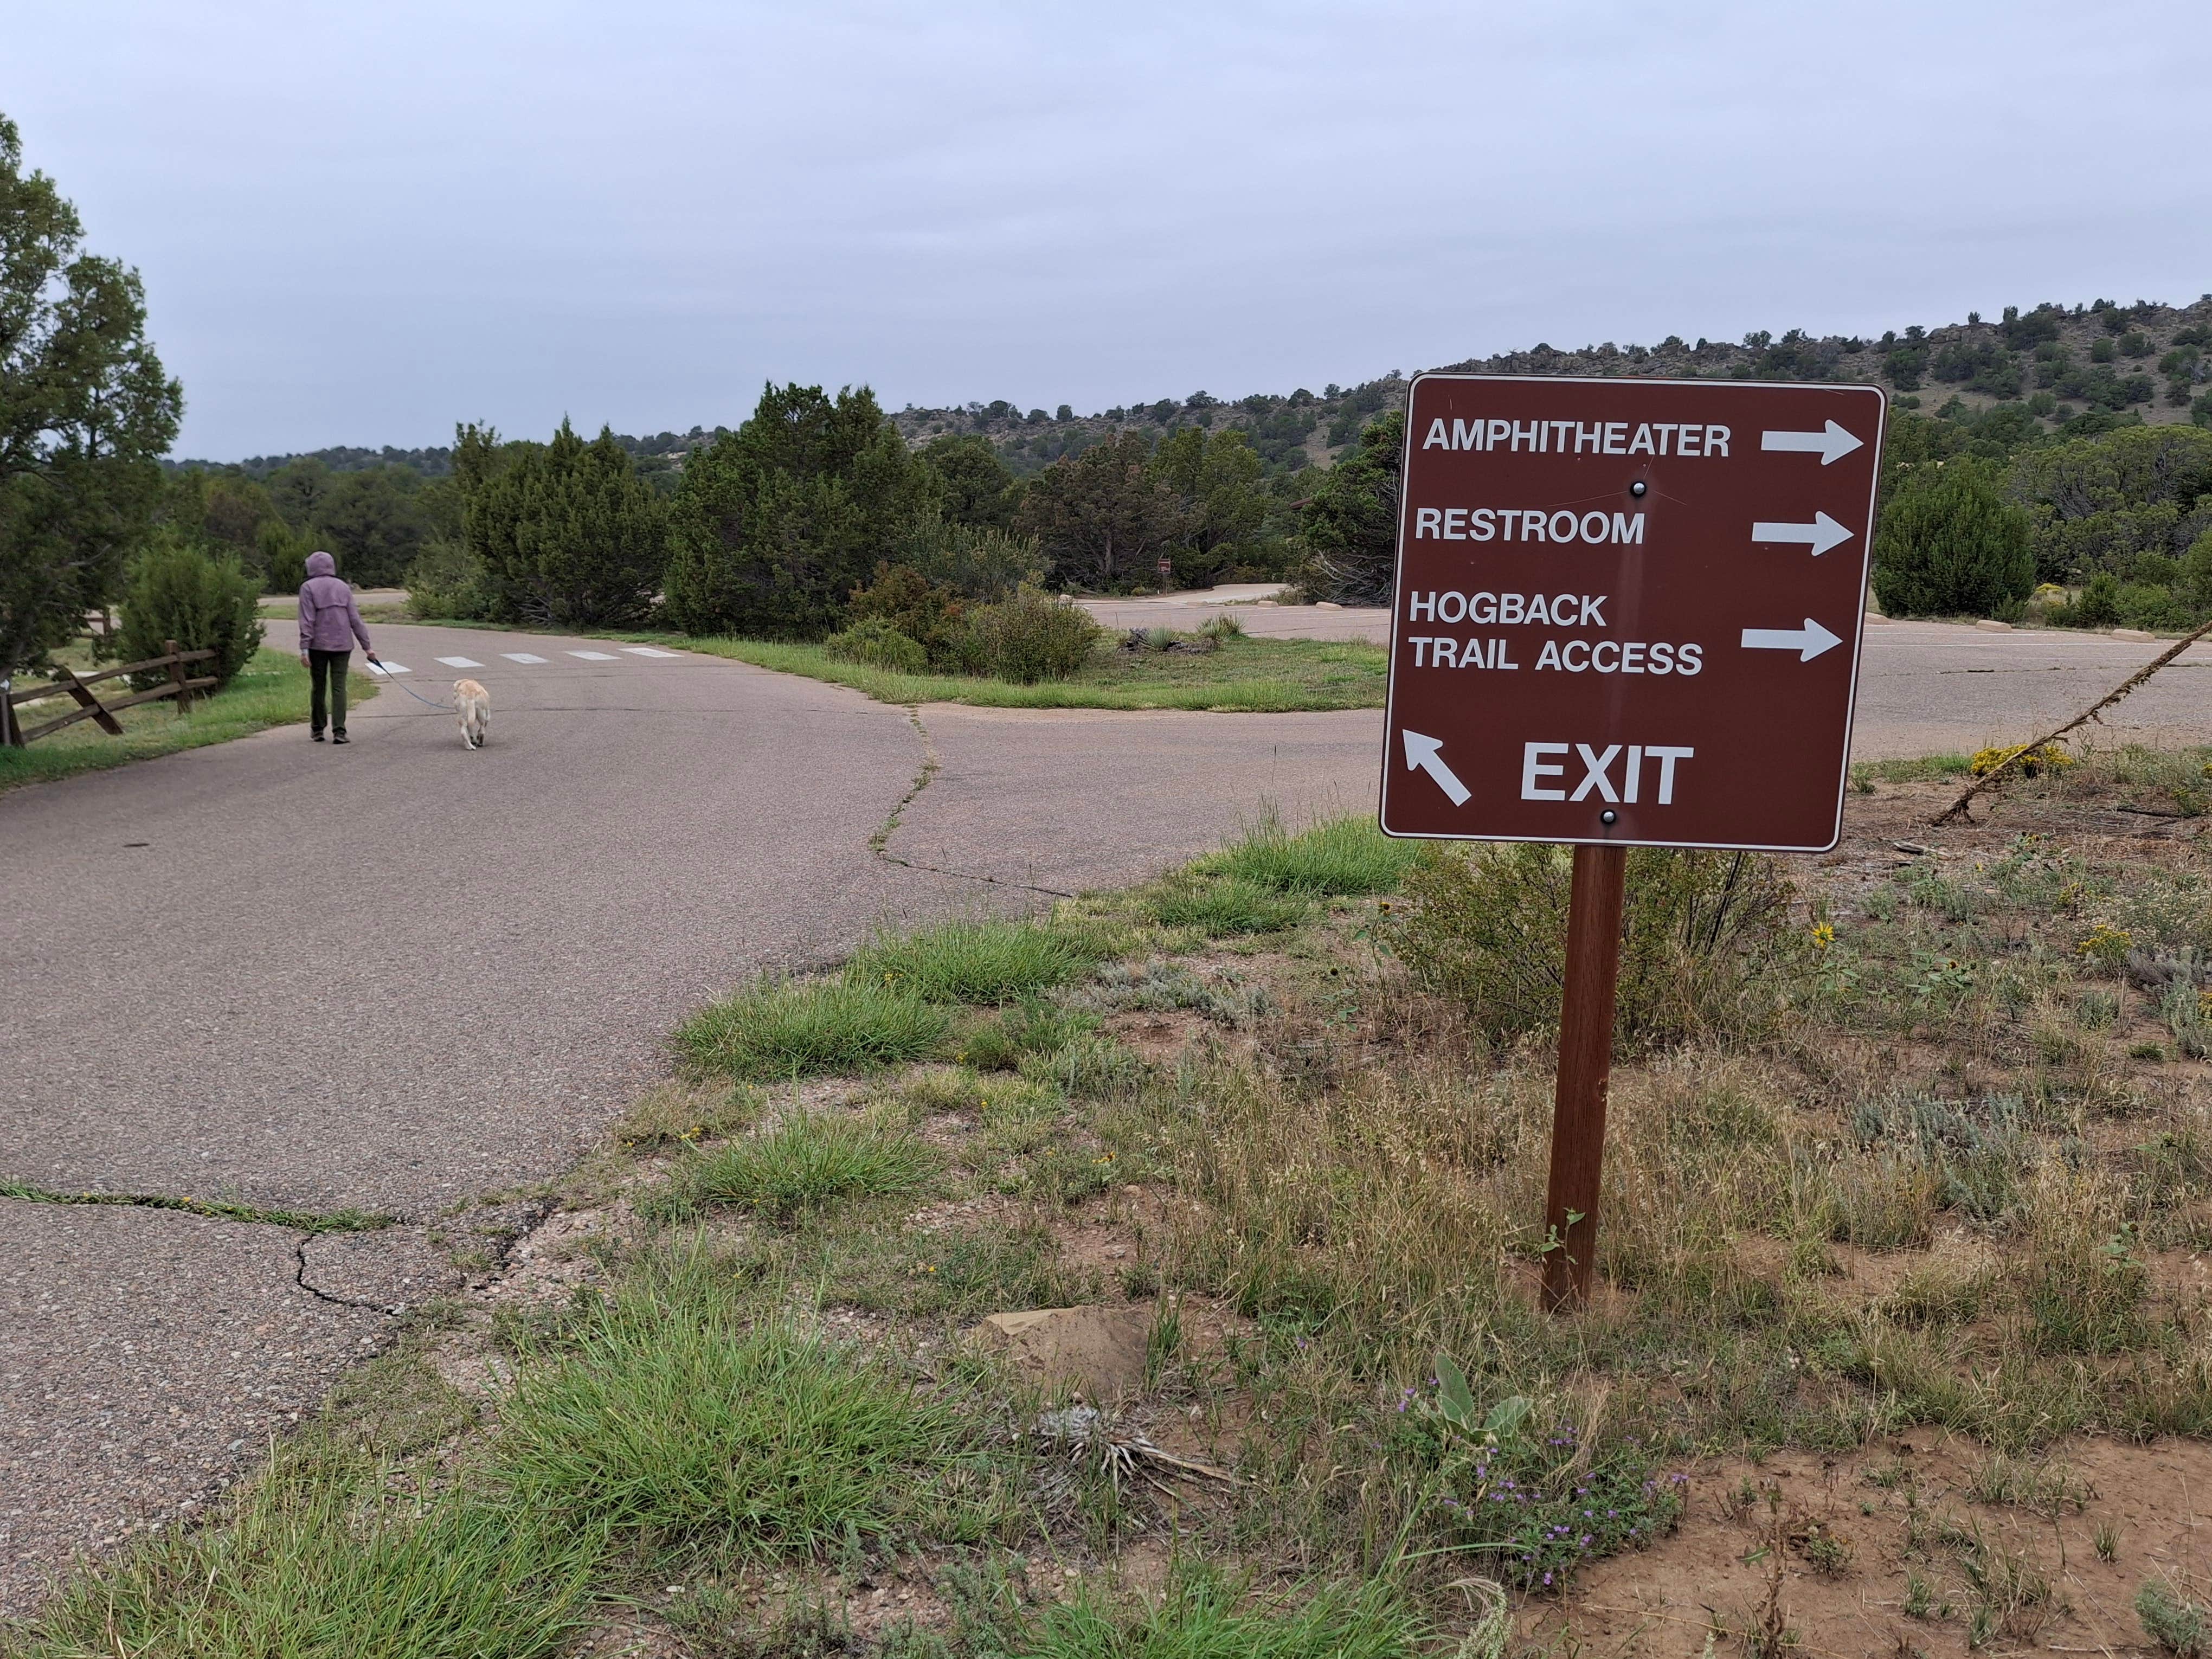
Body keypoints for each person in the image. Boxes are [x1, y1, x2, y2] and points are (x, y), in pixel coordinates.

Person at [296, 550, 380, 744]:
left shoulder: (308, 588)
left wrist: (304, 648)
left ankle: (317, 730)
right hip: (343, 645)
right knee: (339, 687)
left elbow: (307, 621)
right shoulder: (343, 587)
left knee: (318, 686)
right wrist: (367, 647)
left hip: (318, 646)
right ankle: (340, 732)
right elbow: (355, 619)